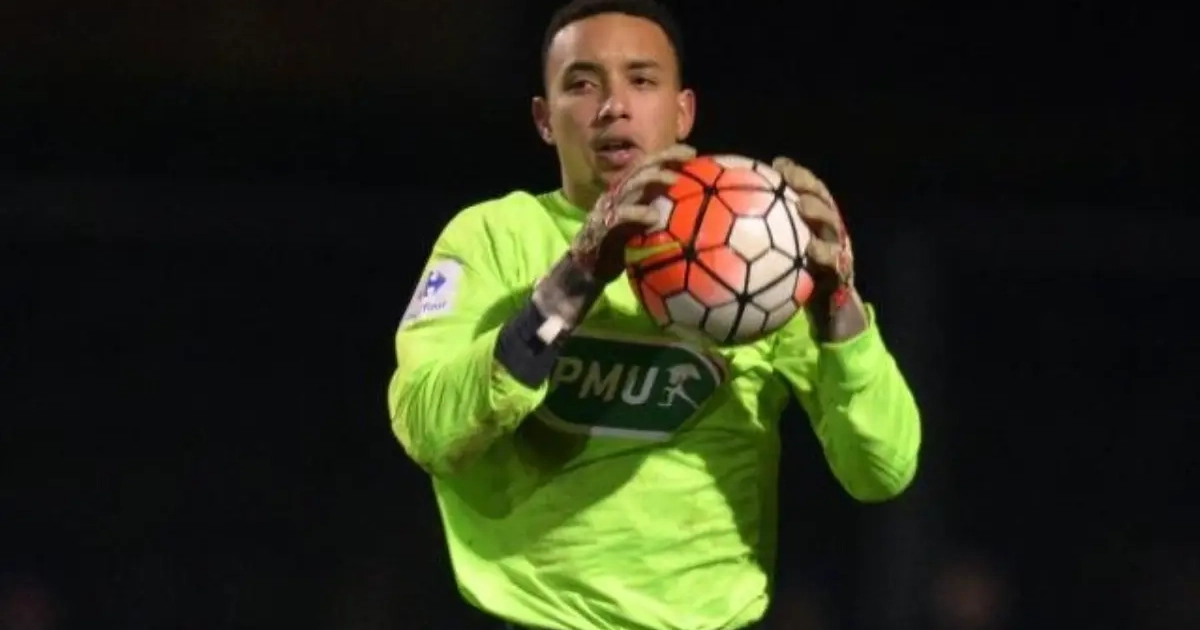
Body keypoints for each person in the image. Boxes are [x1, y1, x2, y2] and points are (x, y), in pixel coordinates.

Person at [386, 0, 922, 628]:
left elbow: (883, 470)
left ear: (683, 111)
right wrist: (574, 281)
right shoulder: (493, 237)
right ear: (544, 119)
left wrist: (839, 309)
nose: (614, 105)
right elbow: (429, 430)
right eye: (582, 84)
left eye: (641, 80)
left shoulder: (762, 248)